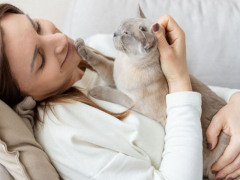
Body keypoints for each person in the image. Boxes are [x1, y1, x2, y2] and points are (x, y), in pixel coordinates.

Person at [0, 3, 239, 180]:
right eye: (40, 60)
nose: (60, 39)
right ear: (27, 99)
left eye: (38, 26)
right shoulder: (64, 134)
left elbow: (201, 93)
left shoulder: (99, 46)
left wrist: (236, 102)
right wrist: (178, 79)